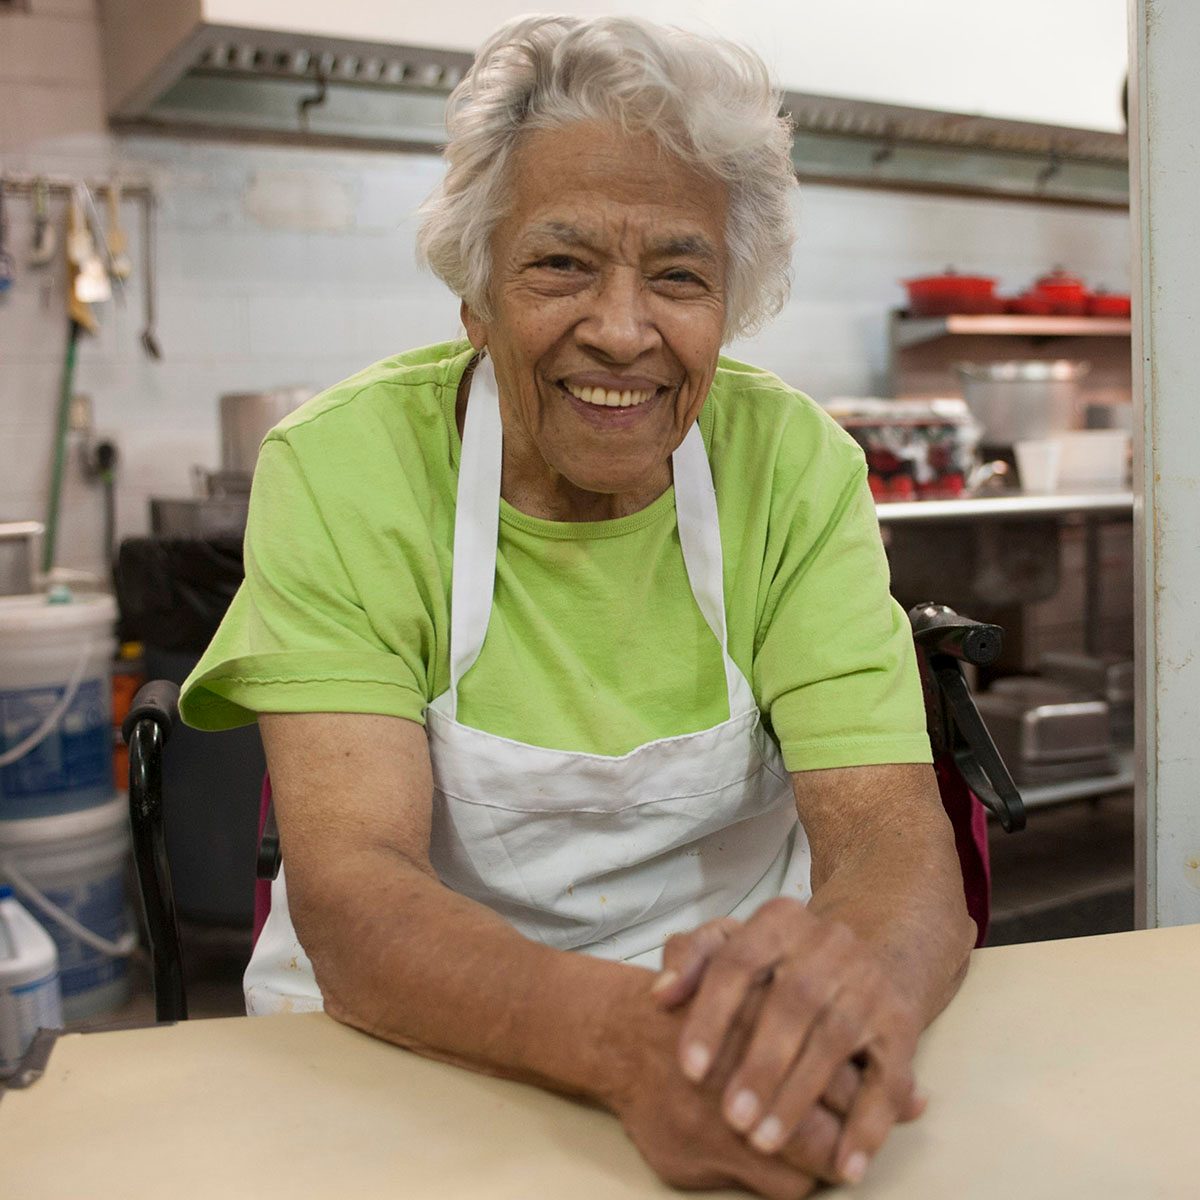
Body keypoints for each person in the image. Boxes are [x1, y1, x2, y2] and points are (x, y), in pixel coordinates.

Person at [181, 15, 975, 1198]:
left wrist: (830, 1012)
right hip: (405, 1059)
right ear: (476, 294)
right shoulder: (343, 472)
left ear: (730, 301)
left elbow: (893, 850)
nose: (621, 328)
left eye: (678, 273)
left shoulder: (795, 470)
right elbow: (354, 890)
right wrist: (622, 1043)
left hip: (729, 1062)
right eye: (560, 264)